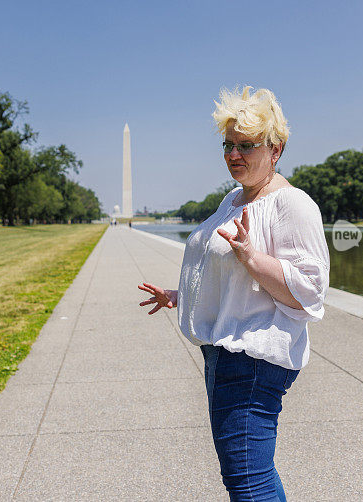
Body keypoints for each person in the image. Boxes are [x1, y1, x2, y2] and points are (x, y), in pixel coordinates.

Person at [138, 85, 330, 501]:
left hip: (252, 359)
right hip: (225, 354)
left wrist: (251, 258)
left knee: (248, 479)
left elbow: (310, 292)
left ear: (275, 149)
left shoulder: (292, 204)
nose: (233, 155)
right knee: (247, 473)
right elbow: (223, 271)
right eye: (228, 145)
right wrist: (180, 295)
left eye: (246, 146)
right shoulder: (233, 199)